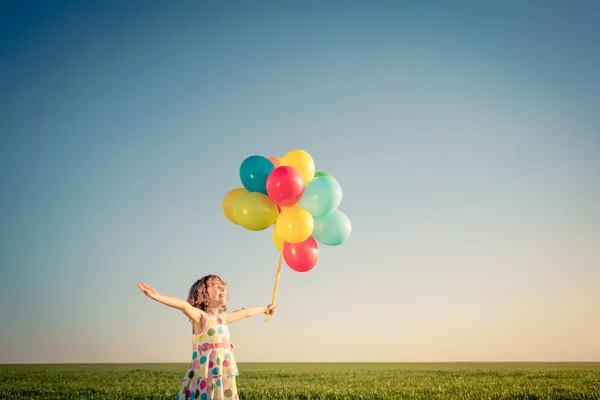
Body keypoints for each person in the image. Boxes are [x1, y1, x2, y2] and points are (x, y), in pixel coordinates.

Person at [137, 275, 277, 400]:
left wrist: (265, 308)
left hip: (223, 372)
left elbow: (245, 312)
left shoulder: (223, 318)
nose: (222, 288)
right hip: (206, 374)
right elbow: (184, 306)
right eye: (216, 286)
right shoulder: (202, 318)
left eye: (223, 286)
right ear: (203, 294)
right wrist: (158, 296)